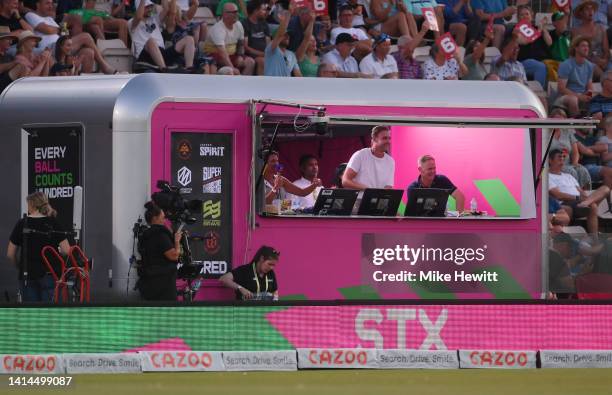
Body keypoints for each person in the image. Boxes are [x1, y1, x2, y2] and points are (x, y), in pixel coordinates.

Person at [7, 192, 71, 302]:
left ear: (32, 204)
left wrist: (20, 267)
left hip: (27, 275)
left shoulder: (22, 223)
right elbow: (66, 250)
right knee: (50, 315)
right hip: (50, 275)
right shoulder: (53, 222)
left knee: (32, 316)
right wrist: (57, 253)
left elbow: (10, 254)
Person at [548, 148, 610, 236]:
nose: (562, 159)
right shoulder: (548, 176)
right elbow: (558, 195)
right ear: (550, 160)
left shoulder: (568, 176)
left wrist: (584, 197)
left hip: (580, 202)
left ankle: (587, 202)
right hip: (567, 202)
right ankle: (595, 239)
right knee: (593, 206)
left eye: (563, 157)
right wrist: (577, 198)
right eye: (559, 157)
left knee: (606, 188)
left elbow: (580, 191)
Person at [137, 201, 182, 301]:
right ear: (155, 218)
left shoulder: (145, 235)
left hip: (149, 283)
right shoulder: (160, 235)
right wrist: (177, 241)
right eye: (163, 217)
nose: (165, 220)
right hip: (163, 285)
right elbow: (174, 256)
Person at [343, 125, 395, 190]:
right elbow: (345, 181)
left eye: (389, 138)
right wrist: (367, 190)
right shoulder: (360, 155)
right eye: (384, 138)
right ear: (374, 139)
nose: (388, 141)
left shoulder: (390, 161)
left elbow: (388, 187)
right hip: (360, 199)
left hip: (377, 199)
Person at [556, 36, 594, 117]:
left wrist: (589, 96)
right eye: (583, 46)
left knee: (597, 100)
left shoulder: (590, 66)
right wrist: (579, 97)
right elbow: (561, 88)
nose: (586, 48)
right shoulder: (566, 64)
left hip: (581, 96)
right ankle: (577, 125)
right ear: (576, 48)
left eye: (587, 46)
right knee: (573, 99)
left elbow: (590, 87)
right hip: (565, 97)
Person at [264, 9, 301, 77]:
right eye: (285, 35)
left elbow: (298, 75)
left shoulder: (292, 54)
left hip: (286, 86)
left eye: (288, 35)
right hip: (271, 85)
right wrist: (289, 13)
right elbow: (280, 34)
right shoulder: (271, 49)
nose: (287, 37)